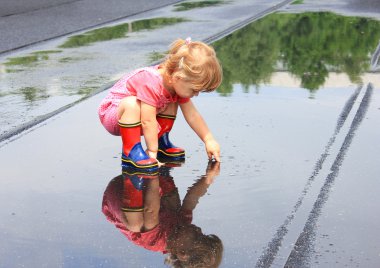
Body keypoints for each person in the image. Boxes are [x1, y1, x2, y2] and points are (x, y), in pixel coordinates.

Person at [98, 37, 223, 172]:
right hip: (114, 114)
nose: (196, 94)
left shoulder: (176, 83)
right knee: (132, 104)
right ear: (178, 77)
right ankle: (131, 151)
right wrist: (151, 152)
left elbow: (192, 115)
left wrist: (208, 139)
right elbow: (148, 121)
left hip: (139, 115)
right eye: (194, 90)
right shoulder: (151, 81)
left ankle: (161, 142)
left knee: (174, 99)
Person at [102, 161, 223, 268]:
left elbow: (151, 210)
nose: (199, 229)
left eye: (197, 237)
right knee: (174, 206)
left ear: (182, 253)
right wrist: (209, 178)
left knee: (137, 224)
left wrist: (152, 174)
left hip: (120, 195)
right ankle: (161, 170)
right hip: (145, 188)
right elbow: (192, 197)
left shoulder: (157, 241)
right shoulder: (184, 224)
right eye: (203, 233)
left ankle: (151, 171)